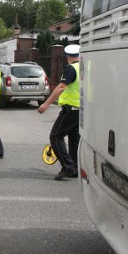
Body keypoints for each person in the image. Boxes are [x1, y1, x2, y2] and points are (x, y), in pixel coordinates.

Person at [38, 44, 81, 180]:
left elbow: (61, 87)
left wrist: (46, 104)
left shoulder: (70, 68)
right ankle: (74, 167)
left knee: (55, 136)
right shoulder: (85, 67)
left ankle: (68, 167)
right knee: (74, 140)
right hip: (80, 110)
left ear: (67, 56)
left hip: (70, 110)